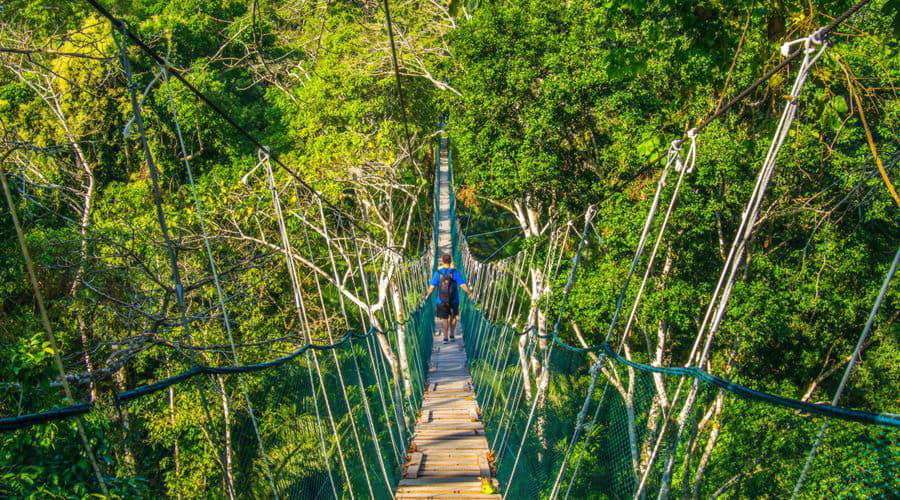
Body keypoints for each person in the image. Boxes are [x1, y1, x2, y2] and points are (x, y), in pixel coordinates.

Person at [424, 254, 475, 344]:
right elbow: (463, 285)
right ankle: (451, 334)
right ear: (450, 261)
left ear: (442, 262)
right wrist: (470, 293)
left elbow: (432, 287)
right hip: (454, 300)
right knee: (453, 317)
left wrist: (427, 295)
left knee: (444, 319)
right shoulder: (455, 272)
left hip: (441, 300)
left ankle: (445, 338)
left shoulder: (438, 273)